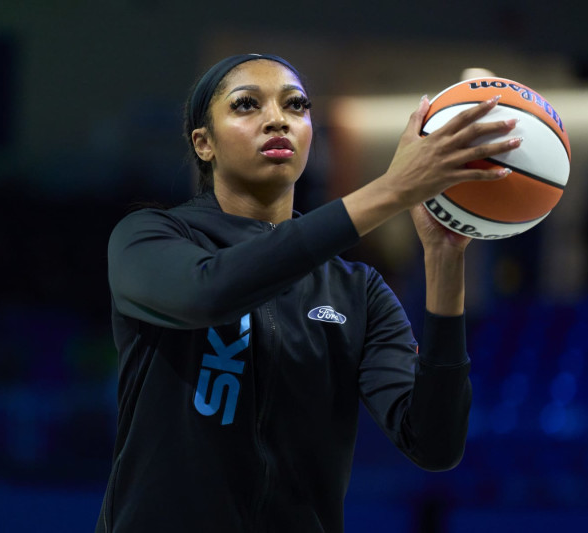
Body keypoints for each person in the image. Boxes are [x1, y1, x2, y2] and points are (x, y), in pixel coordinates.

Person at [95, 53, 521, 533]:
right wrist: (393, 189)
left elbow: (434, 445)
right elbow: (208, 292)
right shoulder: (148, 238)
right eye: (246, 105)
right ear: (204, 143)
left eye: (296, 105)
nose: (277, 119)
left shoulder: (357, 291)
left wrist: (445, 258)